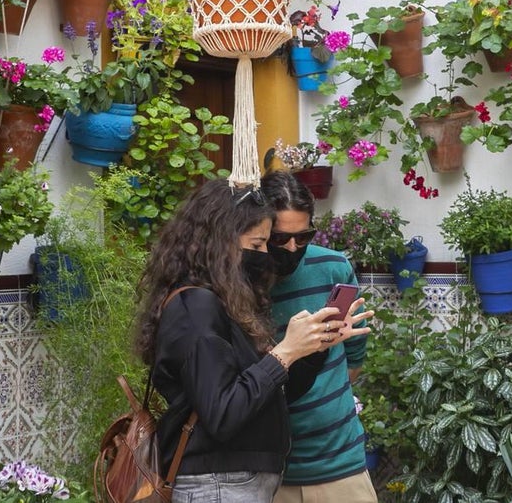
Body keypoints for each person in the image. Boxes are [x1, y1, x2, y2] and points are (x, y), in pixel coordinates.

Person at [136, 179, 371, 503]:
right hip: (218, 486)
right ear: (223, 241)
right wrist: (285, 352)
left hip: (242, 483)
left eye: (301, 237)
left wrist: (314, 348)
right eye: (261, 244)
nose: (269, 257)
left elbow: (273, 393)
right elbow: (223, 414)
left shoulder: (222, 302)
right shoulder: (196, 308)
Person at [261, 171, 379, 503]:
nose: (292, 248)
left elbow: (354, 359)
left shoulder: (333, 267)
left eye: (303, 237)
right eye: (280, 238)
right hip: (269, 472)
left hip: (340, 465)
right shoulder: (239, 281)